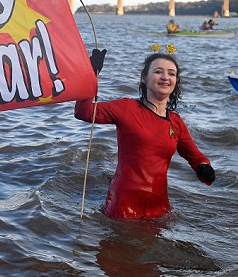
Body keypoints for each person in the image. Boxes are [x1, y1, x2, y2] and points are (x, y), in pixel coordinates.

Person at [74, 50, 215, 220]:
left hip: (159, 206)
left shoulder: (176, 122)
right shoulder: (126, 108)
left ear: (175, 81)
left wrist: (203, 166)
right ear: (144, 78)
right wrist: (90, 75)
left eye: (171, 73)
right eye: (158, 72)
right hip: (123, 204)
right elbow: (84, 111)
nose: (165, 77)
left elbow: (196, 157)